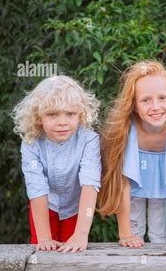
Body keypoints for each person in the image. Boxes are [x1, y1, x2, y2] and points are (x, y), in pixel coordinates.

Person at [98, 61, 166, 248]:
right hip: (132, 188)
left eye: (162, 98)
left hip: (165, 188)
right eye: (146, 100)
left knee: (161, 234)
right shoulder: (126, 128)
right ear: (134, 104)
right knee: (134, 234)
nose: (155, 106)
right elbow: (124, 181)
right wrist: (125, 234)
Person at [12, 75, 101, 252]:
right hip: (45, 205)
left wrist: (81, 234)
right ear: (38, 117)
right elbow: (36, 187)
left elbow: (90, 183)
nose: (62, 122)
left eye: (70, 114)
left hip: (76, 207)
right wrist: (44, 237)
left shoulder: (89, 140)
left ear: (81, 114)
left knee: (73, 252)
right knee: (43, 251)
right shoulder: (31, 142)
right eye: (52, 114)